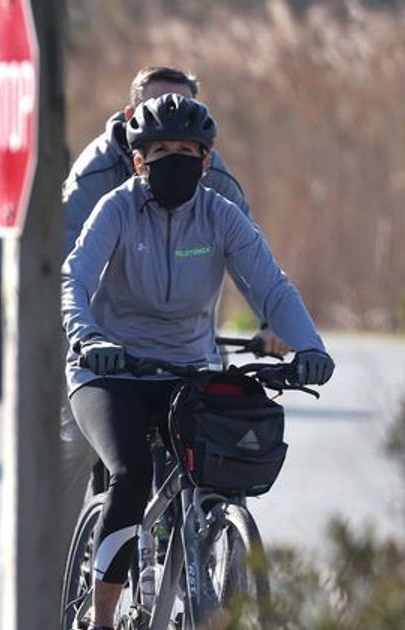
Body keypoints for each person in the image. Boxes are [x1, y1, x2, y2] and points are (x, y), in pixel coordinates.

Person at [61, 93, 335, 629]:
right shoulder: (116, 208)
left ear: (206, 160)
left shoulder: (219, 216)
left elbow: (272, 287)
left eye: (187, 150)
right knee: (130, 474)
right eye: (161, 150)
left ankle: (203, 570)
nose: (175, 159)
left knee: (216, 470)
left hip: (187, 370)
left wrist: (310, 347)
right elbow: (75, 279)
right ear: (138, 160)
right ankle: (101, 618)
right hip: (110, 371)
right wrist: (87, 337)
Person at [56, 65, 289, 543]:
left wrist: (273, 324)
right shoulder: (97, 174)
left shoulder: (214, 174)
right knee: (77, 447)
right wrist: (87, 336)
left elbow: (253, 262)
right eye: (156, 111)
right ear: (131, 117)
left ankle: (208, 557)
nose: (172, 123)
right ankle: (54, 562)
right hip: (107, 340)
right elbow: (68, 266)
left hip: (187, 343)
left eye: (186, 112)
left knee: (219, 444)